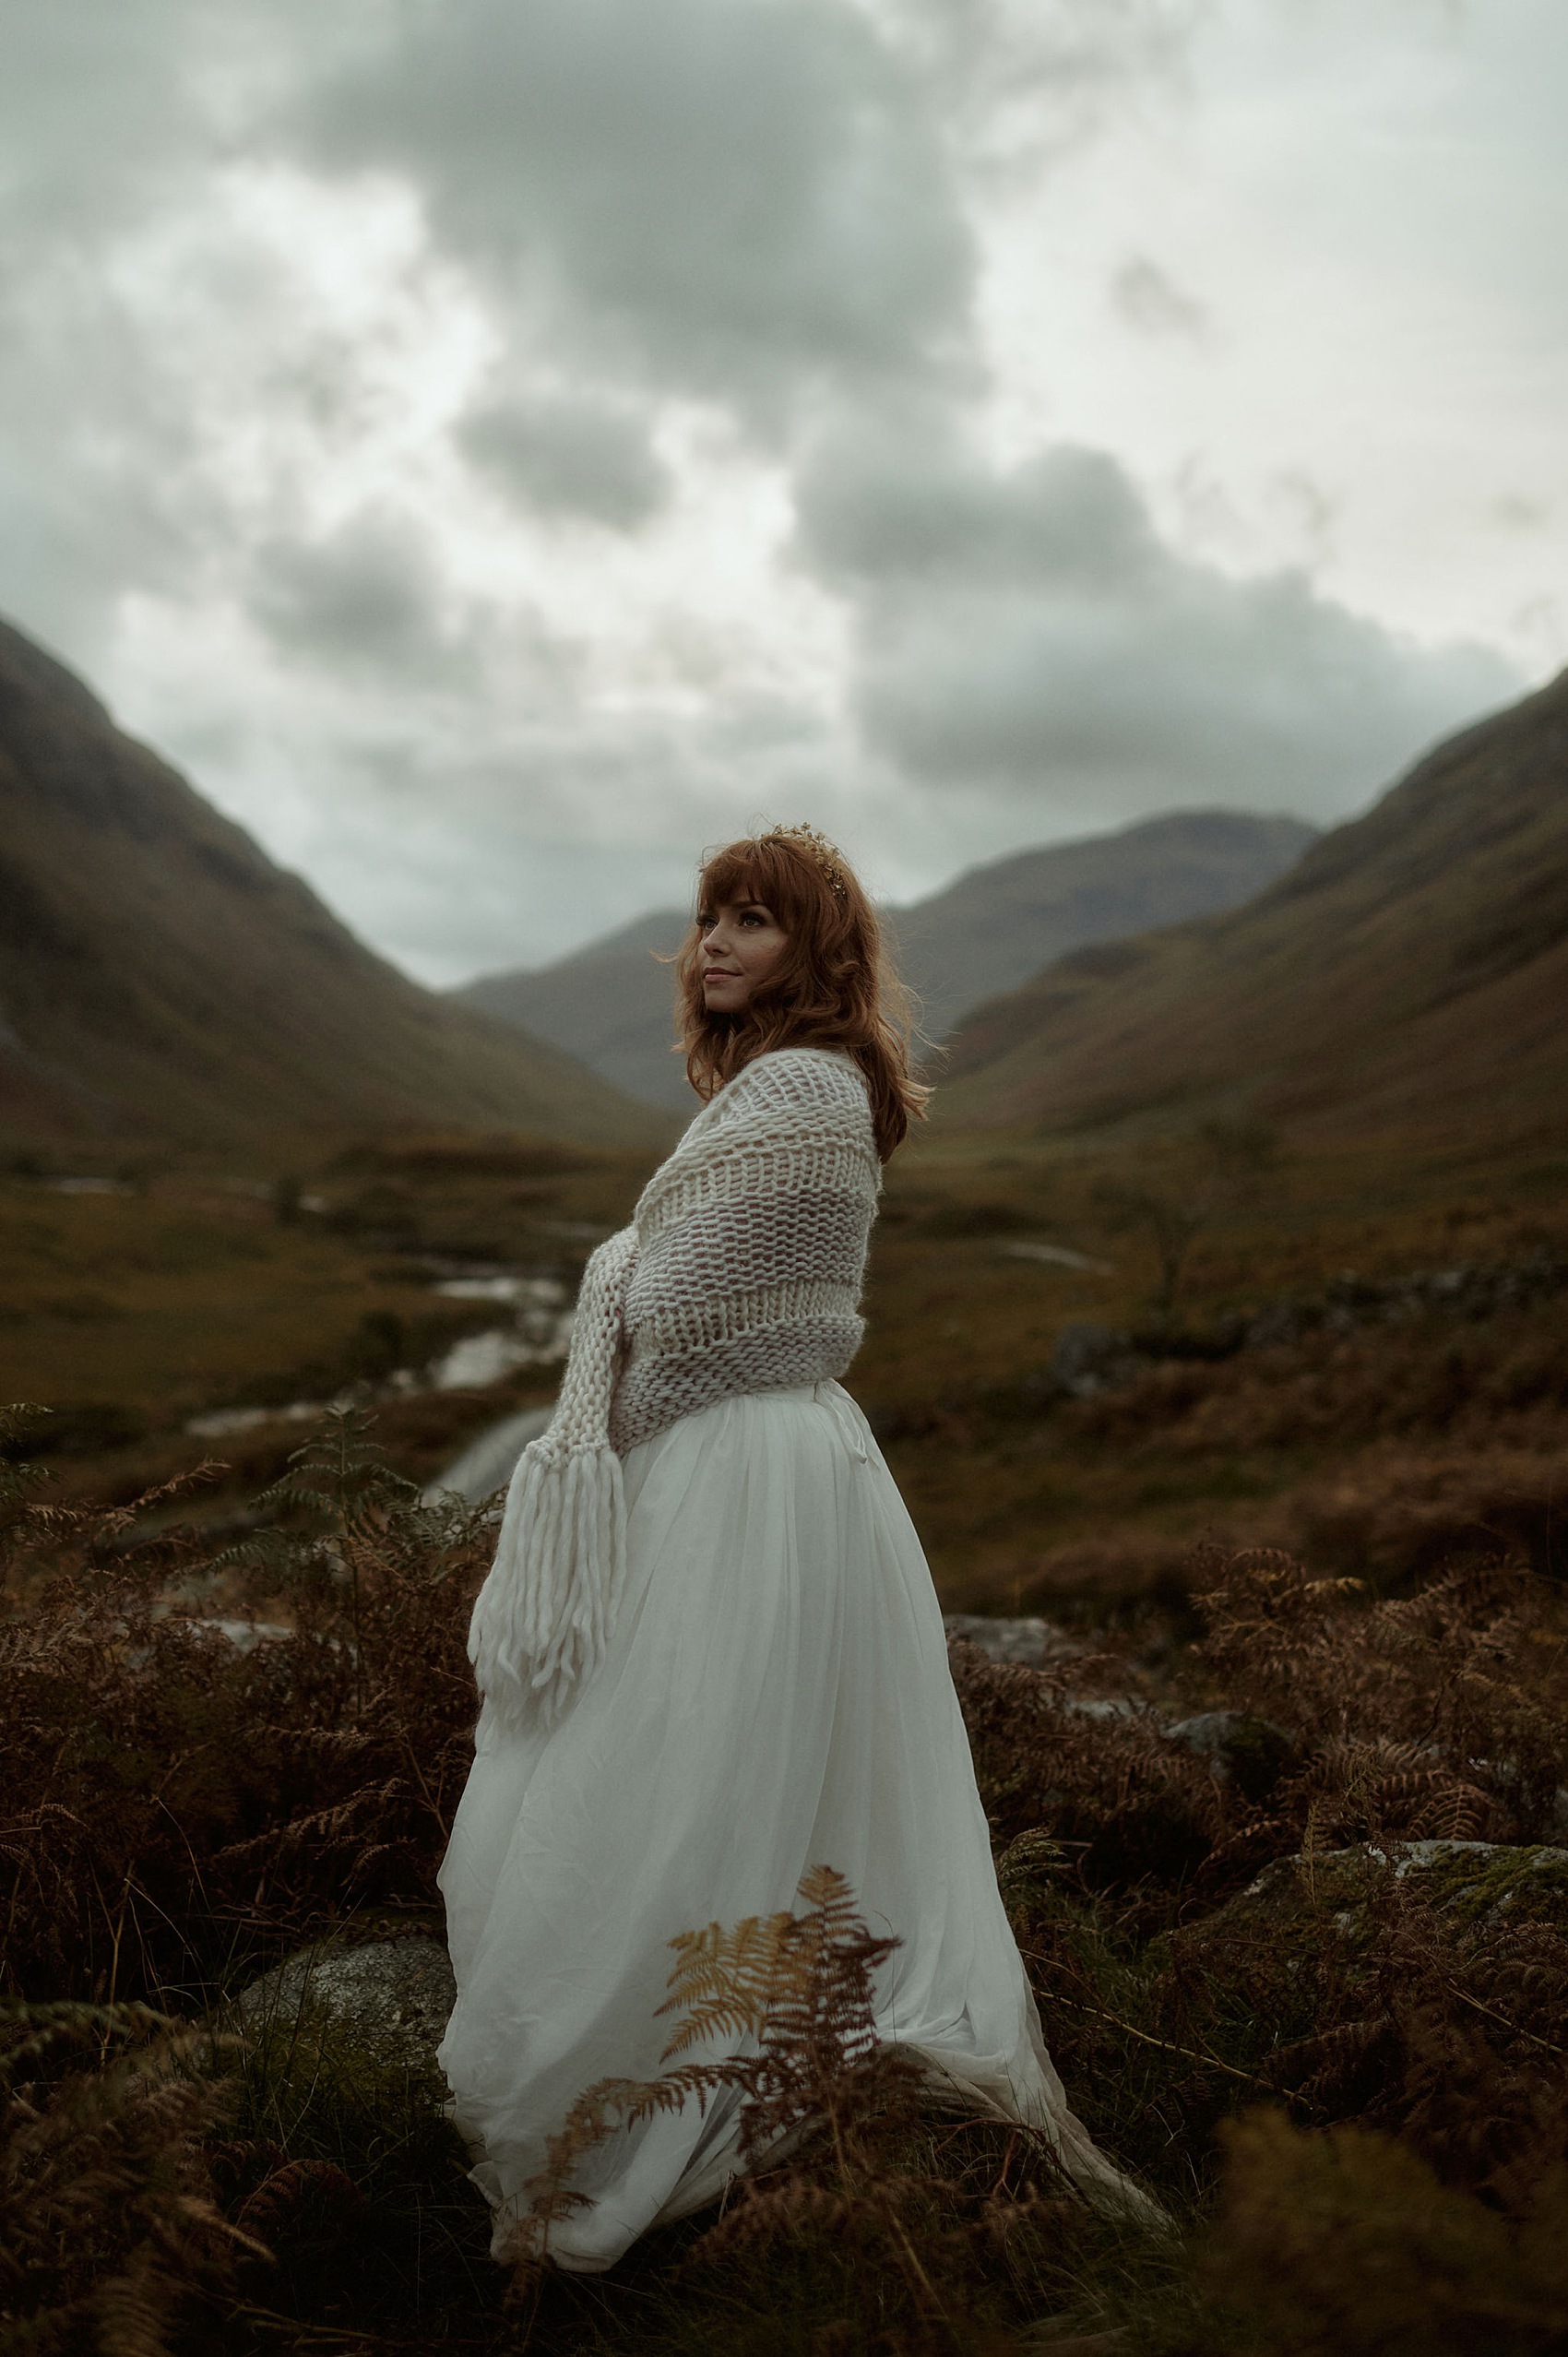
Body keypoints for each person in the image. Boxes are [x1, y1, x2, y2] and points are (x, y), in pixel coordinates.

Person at [437, 823, 1146, 2271]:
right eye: (708, 918)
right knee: (710, 1757)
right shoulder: (777, 1089)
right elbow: (674, 1285)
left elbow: (688, 1308)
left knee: (685, 1760)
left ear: (813, 951)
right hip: (752, 1457)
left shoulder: (809, 1091)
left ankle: (669, 2083)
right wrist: (624, 1294)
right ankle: (712, 2049)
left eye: (752, 921)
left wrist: (619, 1308)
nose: (714, 944)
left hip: (742, 1465)